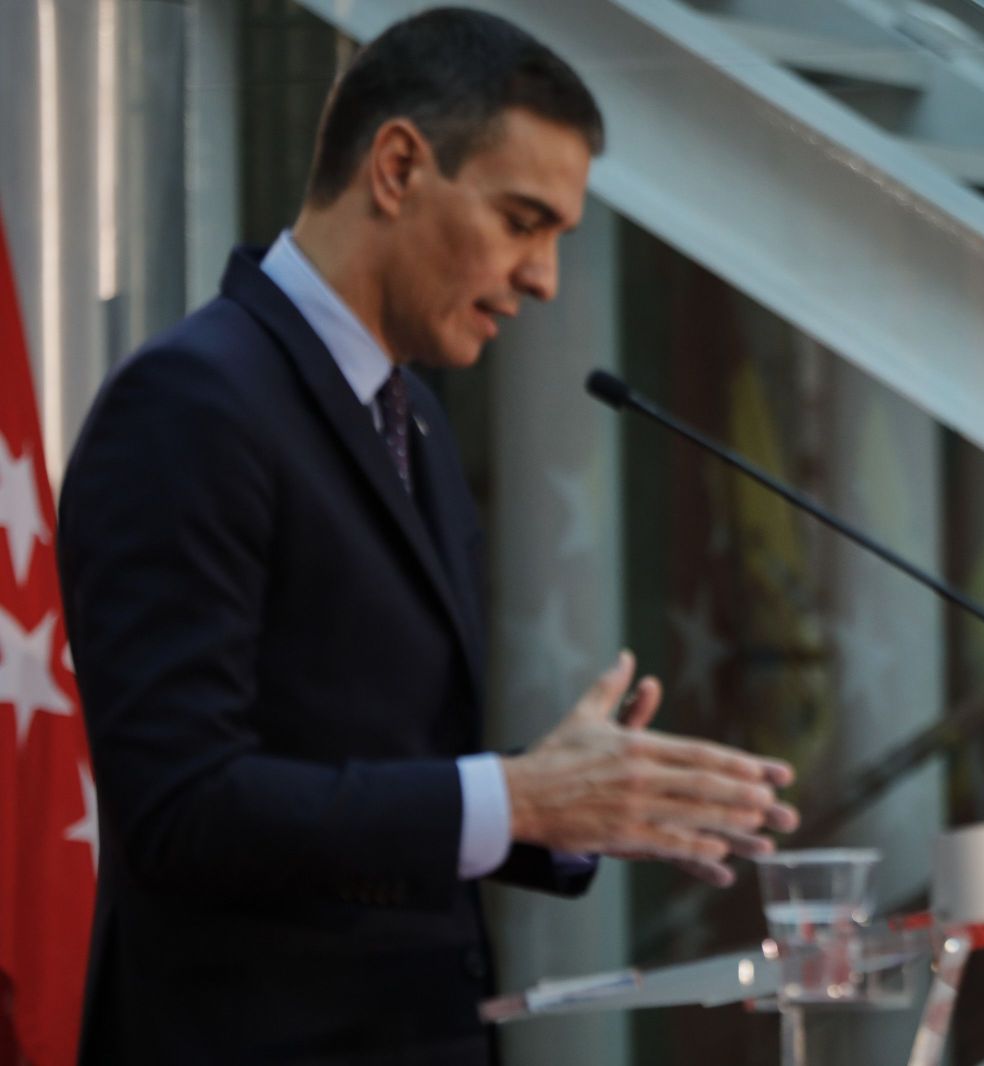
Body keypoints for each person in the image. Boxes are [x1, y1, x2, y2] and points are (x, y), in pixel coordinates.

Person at [56, 9, 798, 1063]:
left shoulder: (419, 427)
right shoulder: (189, 403)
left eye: (557, 237)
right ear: (398, 166)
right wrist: (516, 796)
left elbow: (378, 771)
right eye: (522, 220)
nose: (544, 277)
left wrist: (559, 805)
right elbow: (182, 807)